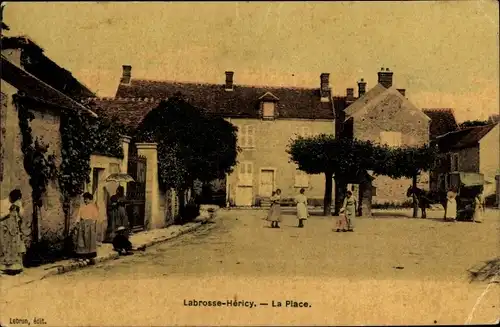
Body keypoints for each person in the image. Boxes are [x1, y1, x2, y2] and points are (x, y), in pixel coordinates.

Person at [0, 189, 26, 275]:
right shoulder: (3, 203)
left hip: (14, 231)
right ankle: (4, 268)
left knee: (15, 248)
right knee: (5, 249)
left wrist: (19, 209)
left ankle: (16, 267)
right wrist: (8, 212)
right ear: (10, 196)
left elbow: (21, 216)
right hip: (4, 231)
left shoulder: (17, 203)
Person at [73, 192, 99, 260]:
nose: (85, 200)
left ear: (90, 200)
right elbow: (79, 215)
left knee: (89, 239)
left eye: (86, 199)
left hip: (90, 225)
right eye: (84, 199)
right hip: (82, 224)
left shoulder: (93, 207)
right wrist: (77, 223)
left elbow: (95, 217)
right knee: (81, 239)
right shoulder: (82, 207)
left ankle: (89, 254)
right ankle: (82, 254)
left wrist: (93, 224)